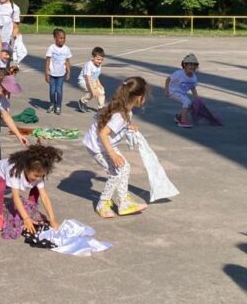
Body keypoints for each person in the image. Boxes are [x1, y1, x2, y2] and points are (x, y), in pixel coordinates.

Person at [83, 76, 150, 217]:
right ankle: (102, 204)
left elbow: (111, 127)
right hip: (99, 146)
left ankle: (124, 202)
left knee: (125, 167)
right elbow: (103, 133)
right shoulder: (120, 115)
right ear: (139, 98)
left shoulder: (124, 110)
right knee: (115, 174)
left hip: (104, 143)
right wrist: (112, 154)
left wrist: (128, 127)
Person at [0, 145, 62, 232]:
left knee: (37, 187)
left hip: (11, 179)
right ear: (26, 168)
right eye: (36, 176)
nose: (38, 178)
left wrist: (52, 219)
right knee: (0, 186)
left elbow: (44, 197)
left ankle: (31, 208)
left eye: (41, 176)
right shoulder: (15, 171)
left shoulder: (39, 175)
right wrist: (26, 219)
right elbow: (15, 197)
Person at [165, 54, 201, 129]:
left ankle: (178, 116)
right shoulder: (178, 73)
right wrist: (166, 91)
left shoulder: (193, 77)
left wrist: (197, 97)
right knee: (187, 102)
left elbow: (193, 87)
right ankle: (183, 121)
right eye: (190, 64)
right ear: (185, 65)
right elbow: (168, 79)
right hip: (173, 91)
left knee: (190, 103)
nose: (193, 67)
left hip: (181, 93)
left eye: (195, 65)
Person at [44, 28, 72, 114]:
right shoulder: (51, 48)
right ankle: (52, 104)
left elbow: (67, 61)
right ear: (55, 38)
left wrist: (68, 72)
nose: (62, 40)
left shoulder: (66, 49)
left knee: (59, 90)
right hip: (52, 73)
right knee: (52, 91)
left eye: (64, 38)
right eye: (60, 38)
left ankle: (58, 106)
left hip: (61, 74)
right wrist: (46, 73)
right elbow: (48, 60)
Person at [77, 47, 106, 113]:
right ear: (93, 57)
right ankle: (82, 101)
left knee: (101, 90)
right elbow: (88, 79)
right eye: (98, 59)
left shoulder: (99, 65)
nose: (100, 61)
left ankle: (101, 108)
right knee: (94, 92)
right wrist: (93, 90)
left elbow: (96, 76)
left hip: (92, 81)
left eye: (102, 60)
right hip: (84, 81)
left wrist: (99, 84)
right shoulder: (89, 65)